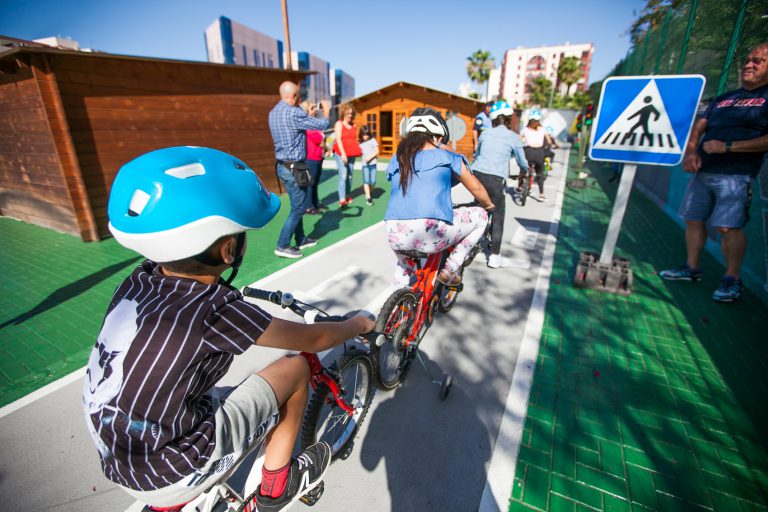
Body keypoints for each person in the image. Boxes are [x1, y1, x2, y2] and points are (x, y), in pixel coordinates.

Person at [84, 146, 375, 512]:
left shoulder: (138, 281)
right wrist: (357, 323)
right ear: (228, 249)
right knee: (297, 369)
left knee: (223, 392)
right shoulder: (216, 309)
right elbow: (317, 338)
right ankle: (277, 485)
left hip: (115, 451)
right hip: (169, 471)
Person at [659, 43, 768, 303]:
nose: (748, 65)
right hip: (703, 172)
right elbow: (698, 129)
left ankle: (732, 279)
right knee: (693, 219)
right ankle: (691, 268)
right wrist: (692, 153)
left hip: (736, 175)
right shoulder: (724, 98)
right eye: (747, 59)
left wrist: (729, 146)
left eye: (758, 61)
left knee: (727, 227)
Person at [384, 108, 494, 288]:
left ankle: (396, 306)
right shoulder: (447, 155)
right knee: (480, 216)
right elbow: (476, 188)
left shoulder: (397, 158)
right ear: (439, 137)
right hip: (432, 232)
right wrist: (489, 205)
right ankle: (450, 268)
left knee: (403, 264)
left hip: (394, 231)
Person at [268, 81, 329, 259]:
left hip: (282, 165)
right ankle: (283, 244)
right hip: (295, 167)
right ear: (293, 96)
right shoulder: (294, 112)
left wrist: (306, 114)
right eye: (298, 96)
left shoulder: (273, 113)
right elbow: (322, 125)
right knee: (299, 208)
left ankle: (301, 238)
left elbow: (296, 126)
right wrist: (325, 110)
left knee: (298, 204)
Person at [472, 100, 529, 269]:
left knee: (477, 207)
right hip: (496, 179)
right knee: (498, 214)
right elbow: (522, 162)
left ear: (493, 119)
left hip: (477, 175)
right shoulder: (513, 137)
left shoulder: (485, 133)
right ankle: (495, 256)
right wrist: (523, 172)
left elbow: (478, 154)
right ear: (510, 118)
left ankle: (468, 243)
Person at [332, 103, 363, 207]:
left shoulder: (353, 126)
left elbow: (354, 140)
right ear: (343, 113)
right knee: (343, 175)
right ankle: (342, 198)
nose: (350, 115)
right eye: (348, 113)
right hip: (341, 154)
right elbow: (339, 140)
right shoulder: (339, 124)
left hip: (351, 154)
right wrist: (343, 154)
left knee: (349, 176)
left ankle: (347, 194)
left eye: (351, 113)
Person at [299, 101, 326, 215]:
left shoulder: (313, 123)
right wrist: (328, 148)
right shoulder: (307, 125)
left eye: (315, 108)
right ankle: (308, 207)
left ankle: (315, 203)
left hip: (318, 157)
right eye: (312, 108)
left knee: (315, 182)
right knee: (310, 183)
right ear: (306, 111)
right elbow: (319, 140)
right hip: (311, 158)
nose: (315, 110)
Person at [519, 112, 548, 201]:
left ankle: (520, 186)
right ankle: (541, 194)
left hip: (528, 152)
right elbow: (549, 141)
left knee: (523, 169)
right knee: (540, 173)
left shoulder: (525, 129)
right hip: (539, 152)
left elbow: (519, 140)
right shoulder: (542, 129)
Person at [359, 126, 379, 205]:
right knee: (366, 180)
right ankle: (368, 197)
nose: (366, 136)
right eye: (364, 135)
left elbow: (377, 151)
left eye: (367, 134)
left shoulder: (373, 140)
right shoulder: (360, 143)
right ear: (361, 135)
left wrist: (369, 158)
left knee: (373, 181)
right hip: (365, 165)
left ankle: (369, 192)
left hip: (373, 163)